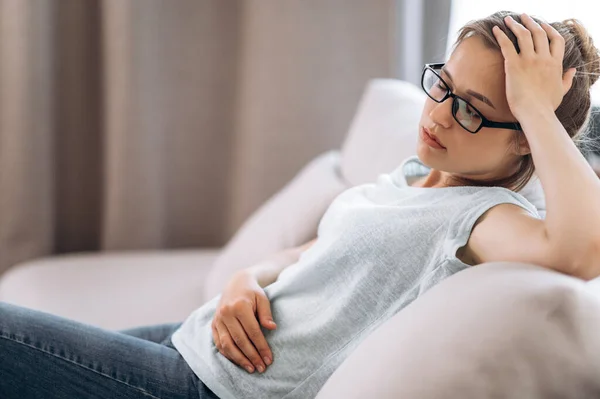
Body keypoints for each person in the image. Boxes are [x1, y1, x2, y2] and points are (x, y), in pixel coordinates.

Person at [2, 10, 600, 399]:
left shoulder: (483, 219)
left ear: (524, 131)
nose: (437, 113)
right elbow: (312, 252)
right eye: (442, 84)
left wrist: (540, 109)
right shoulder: (419, 174)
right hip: (196, 338)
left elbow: (581, 252)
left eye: (469, 107)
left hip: (210, 388)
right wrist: (243, 277)